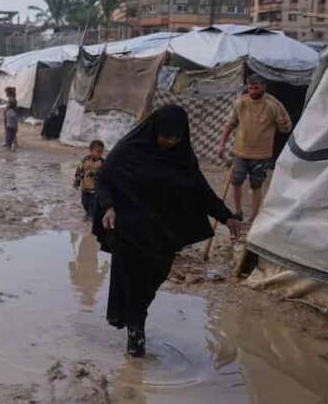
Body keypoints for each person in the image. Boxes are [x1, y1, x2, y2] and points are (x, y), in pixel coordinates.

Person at [94, 105, 239, 357]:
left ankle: (135, 320)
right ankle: (136, 333)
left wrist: (226, 216)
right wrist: (108, 207)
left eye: (176, 138)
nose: (170, 142)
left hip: (163, 233)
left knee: (152, 281)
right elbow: (103, 179)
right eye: (165, 136)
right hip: (130, 228)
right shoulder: (130, 148)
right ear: (154, 130)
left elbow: (200, 190)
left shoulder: (183, 157)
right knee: (131, 282)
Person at [217, 75, 292, 222]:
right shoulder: (240, 103)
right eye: (250, 88)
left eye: (256, 88)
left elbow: (286, 128)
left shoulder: (273, 105)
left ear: (264, 86)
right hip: (240, 151)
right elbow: (230, 124)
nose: (252, 91)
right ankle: (238, 212)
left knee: (256, 184)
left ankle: (253, 217)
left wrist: (281, 122)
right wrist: (221, 144)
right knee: (236, 181)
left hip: (261, 154)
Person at [74, 140, 105, 217]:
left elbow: (106, 175)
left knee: (93, 203)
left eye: (101, 152)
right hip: (85, 187)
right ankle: (87, 213)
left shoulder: (102, 163)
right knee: (84, 202)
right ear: (91, 150)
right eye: (97, 151)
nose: (99, 154)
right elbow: (79, 170)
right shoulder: (85, 160)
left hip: (95, 189)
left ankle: (92, 216)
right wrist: (77, 181)